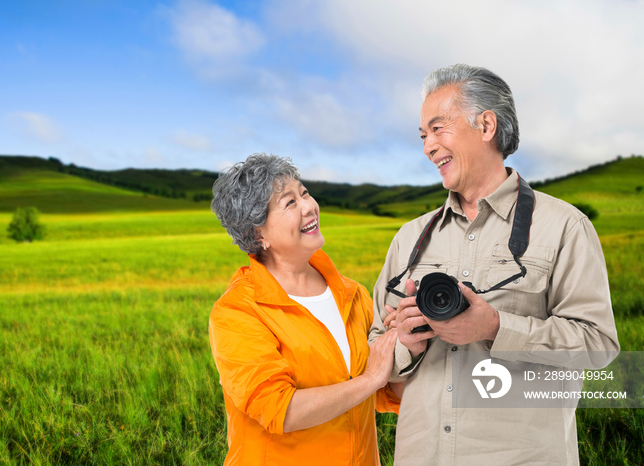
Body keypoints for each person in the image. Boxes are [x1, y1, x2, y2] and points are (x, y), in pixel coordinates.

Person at [369, 64, 619, 465]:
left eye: (437, 129)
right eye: (422, 136)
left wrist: (496, 328)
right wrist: (403, 343)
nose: (428, 147)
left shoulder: (564, 227)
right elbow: (373, 351)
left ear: (486, 125)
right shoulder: (409, 239)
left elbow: (598, 344)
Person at [209, 153, 402, 466]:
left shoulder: (352, 294)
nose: (309, 206)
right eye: (289, 203)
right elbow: (281, 410)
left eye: (305, 193)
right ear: (259, 234)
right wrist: (370, 379)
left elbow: (384, 393)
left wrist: (406, 344)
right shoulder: (238, 312)